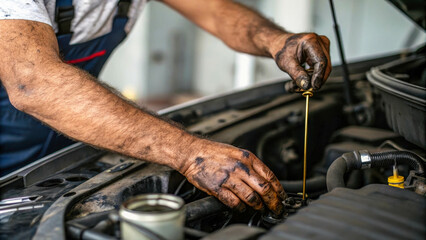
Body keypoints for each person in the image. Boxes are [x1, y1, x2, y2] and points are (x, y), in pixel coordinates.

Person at [0, 0, 331, 215]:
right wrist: (190, 153)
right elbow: (33, 82)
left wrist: (276, 40)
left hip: (64, 143)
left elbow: (215, 10)